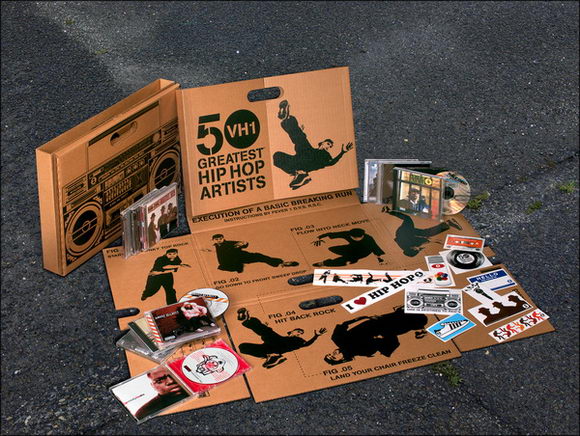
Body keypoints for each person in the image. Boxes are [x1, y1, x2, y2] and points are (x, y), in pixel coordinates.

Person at [273, 100, 353, 190]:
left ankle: (287, 120)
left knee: (301, 140)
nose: (328, 146)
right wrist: (299, 132)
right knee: (277, 156)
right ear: (322, 143)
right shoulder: (314, 150)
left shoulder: (325, 155)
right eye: (328, 144)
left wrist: (342, 152)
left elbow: (331, 163)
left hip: (308, 161)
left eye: (330, 146)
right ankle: (300, 174)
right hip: (299, 159)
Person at [324, 307, 428, 365]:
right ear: (341, 359)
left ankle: (417, 320)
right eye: (333, 357)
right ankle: (420, 326)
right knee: (418, 320)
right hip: (388, 328)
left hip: (376, 321)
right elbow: (388, 344)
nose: (334, 353)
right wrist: (387, 334)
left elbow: (345, 324)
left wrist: (363, 317)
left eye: (330, 354)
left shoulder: (337, 339)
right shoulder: (363, 352)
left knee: (405, 315)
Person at [237, 308, 327, 368]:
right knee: (242, 347)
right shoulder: (286, 337)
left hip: (279, 345)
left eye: (301, 333)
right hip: (268, 348)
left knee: (267, 332)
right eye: (298, 331)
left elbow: (307, 344)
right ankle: (273, 357)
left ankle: (247, 320)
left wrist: (316, 336)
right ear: (292, 331)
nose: (300, 334)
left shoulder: (297, 340)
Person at [205, 234, 299, 273]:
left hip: (242, 257)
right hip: (229, 262)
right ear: (213, 240)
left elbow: (244, 244)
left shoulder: (230, 243)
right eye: (216, 239)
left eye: (220, 238)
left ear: (223, 238)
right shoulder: (215, 246)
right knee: (238, 269)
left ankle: (280, 263)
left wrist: (244, 243)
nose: (219, 240)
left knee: (259, 256)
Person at [389, 211, 462, 257]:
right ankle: (448, 223)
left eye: (417, 249)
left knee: (408, 218)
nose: (418, 249)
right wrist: (436, 241)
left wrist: (436, 241)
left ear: (412, 248)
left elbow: (425, 240)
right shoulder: (411, 247)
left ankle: (390, 211)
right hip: (409, 235)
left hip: (404, 231)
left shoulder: (406, 242)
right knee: (427, 233)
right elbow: (424, 242)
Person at [312, 228, 385, 267]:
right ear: (351, 236)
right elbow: (334, 234)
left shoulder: (368, 238)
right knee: (332, 249)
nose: (357, 239)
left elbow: (375, 248)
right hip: (352, 247)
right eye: (355, 238)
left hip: (363, 251)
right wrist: (320, 237)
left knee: (346, 259)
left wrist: (380, 259)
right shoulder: (347, 234)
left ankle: (324, 263)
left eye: (359, 238)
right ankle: (351, 259)